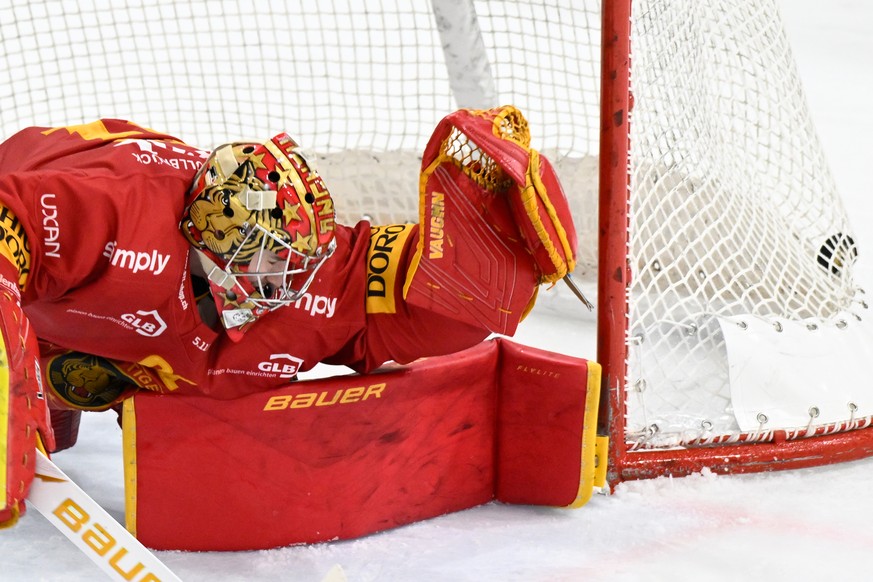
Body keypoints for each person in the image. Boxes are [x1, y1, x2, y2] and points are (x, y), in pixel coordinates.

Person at [0, 105, 577, 527]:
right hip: (37, 224)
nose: (287, 283)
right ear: (212, 238)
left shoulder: (302, 274)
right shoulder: (123, 215)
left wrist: (491, 266)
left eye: (295, 261)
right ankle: (54, 362)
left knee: (125, 374)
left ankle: (83, 379)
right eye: (268, 262)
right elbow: (12, 213)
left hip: (102, 322)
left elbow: (408, 297)